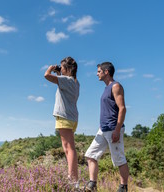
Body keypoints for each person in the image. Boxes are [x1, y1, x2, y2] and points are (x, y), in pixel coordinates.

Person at [84, 62, 130, 192]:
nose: (97, 73)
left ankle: (123, 187)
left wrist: (117, 129)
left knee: (119, 159)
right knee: (91, 155)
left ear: (106, 72)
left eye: (99, 71)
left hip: (113, 128)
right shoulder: (106, 88)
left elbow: (122, 108)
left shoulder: (116, 86)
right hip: (103, 129)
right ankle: (92, 185)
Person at [44, 56, 80, 189]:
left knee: (69, 149)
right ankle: (73, 179)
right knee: (69, 148)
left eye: (62, 67)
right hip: (72, 117)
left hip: (64, 117)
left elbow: (47, 76)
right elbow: (63, 85)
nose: (60, 69)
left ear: (69, 69)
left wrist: (50, 69)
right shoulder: (76, 82)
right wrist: (60, 73)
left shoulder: (66, 80)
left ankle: (73, 180)